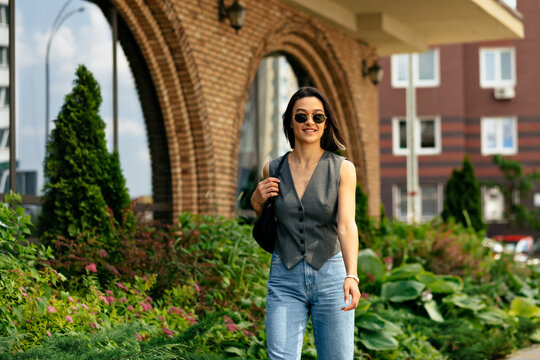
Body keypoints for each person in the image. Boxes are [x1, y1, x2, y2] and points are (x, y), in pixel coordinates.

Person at [251, 86, 360, 360]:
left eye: (317, 117)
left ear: (326, 123)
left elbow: (346, 226)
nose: (309, 122)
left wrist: (352, 275)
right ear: (291, 121)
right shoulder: (272, 169)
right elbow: (271, 226)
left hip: (332, 276)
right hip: (284, 277)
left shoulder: (343, 169)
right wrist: (255, 203)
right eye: (301, 117)